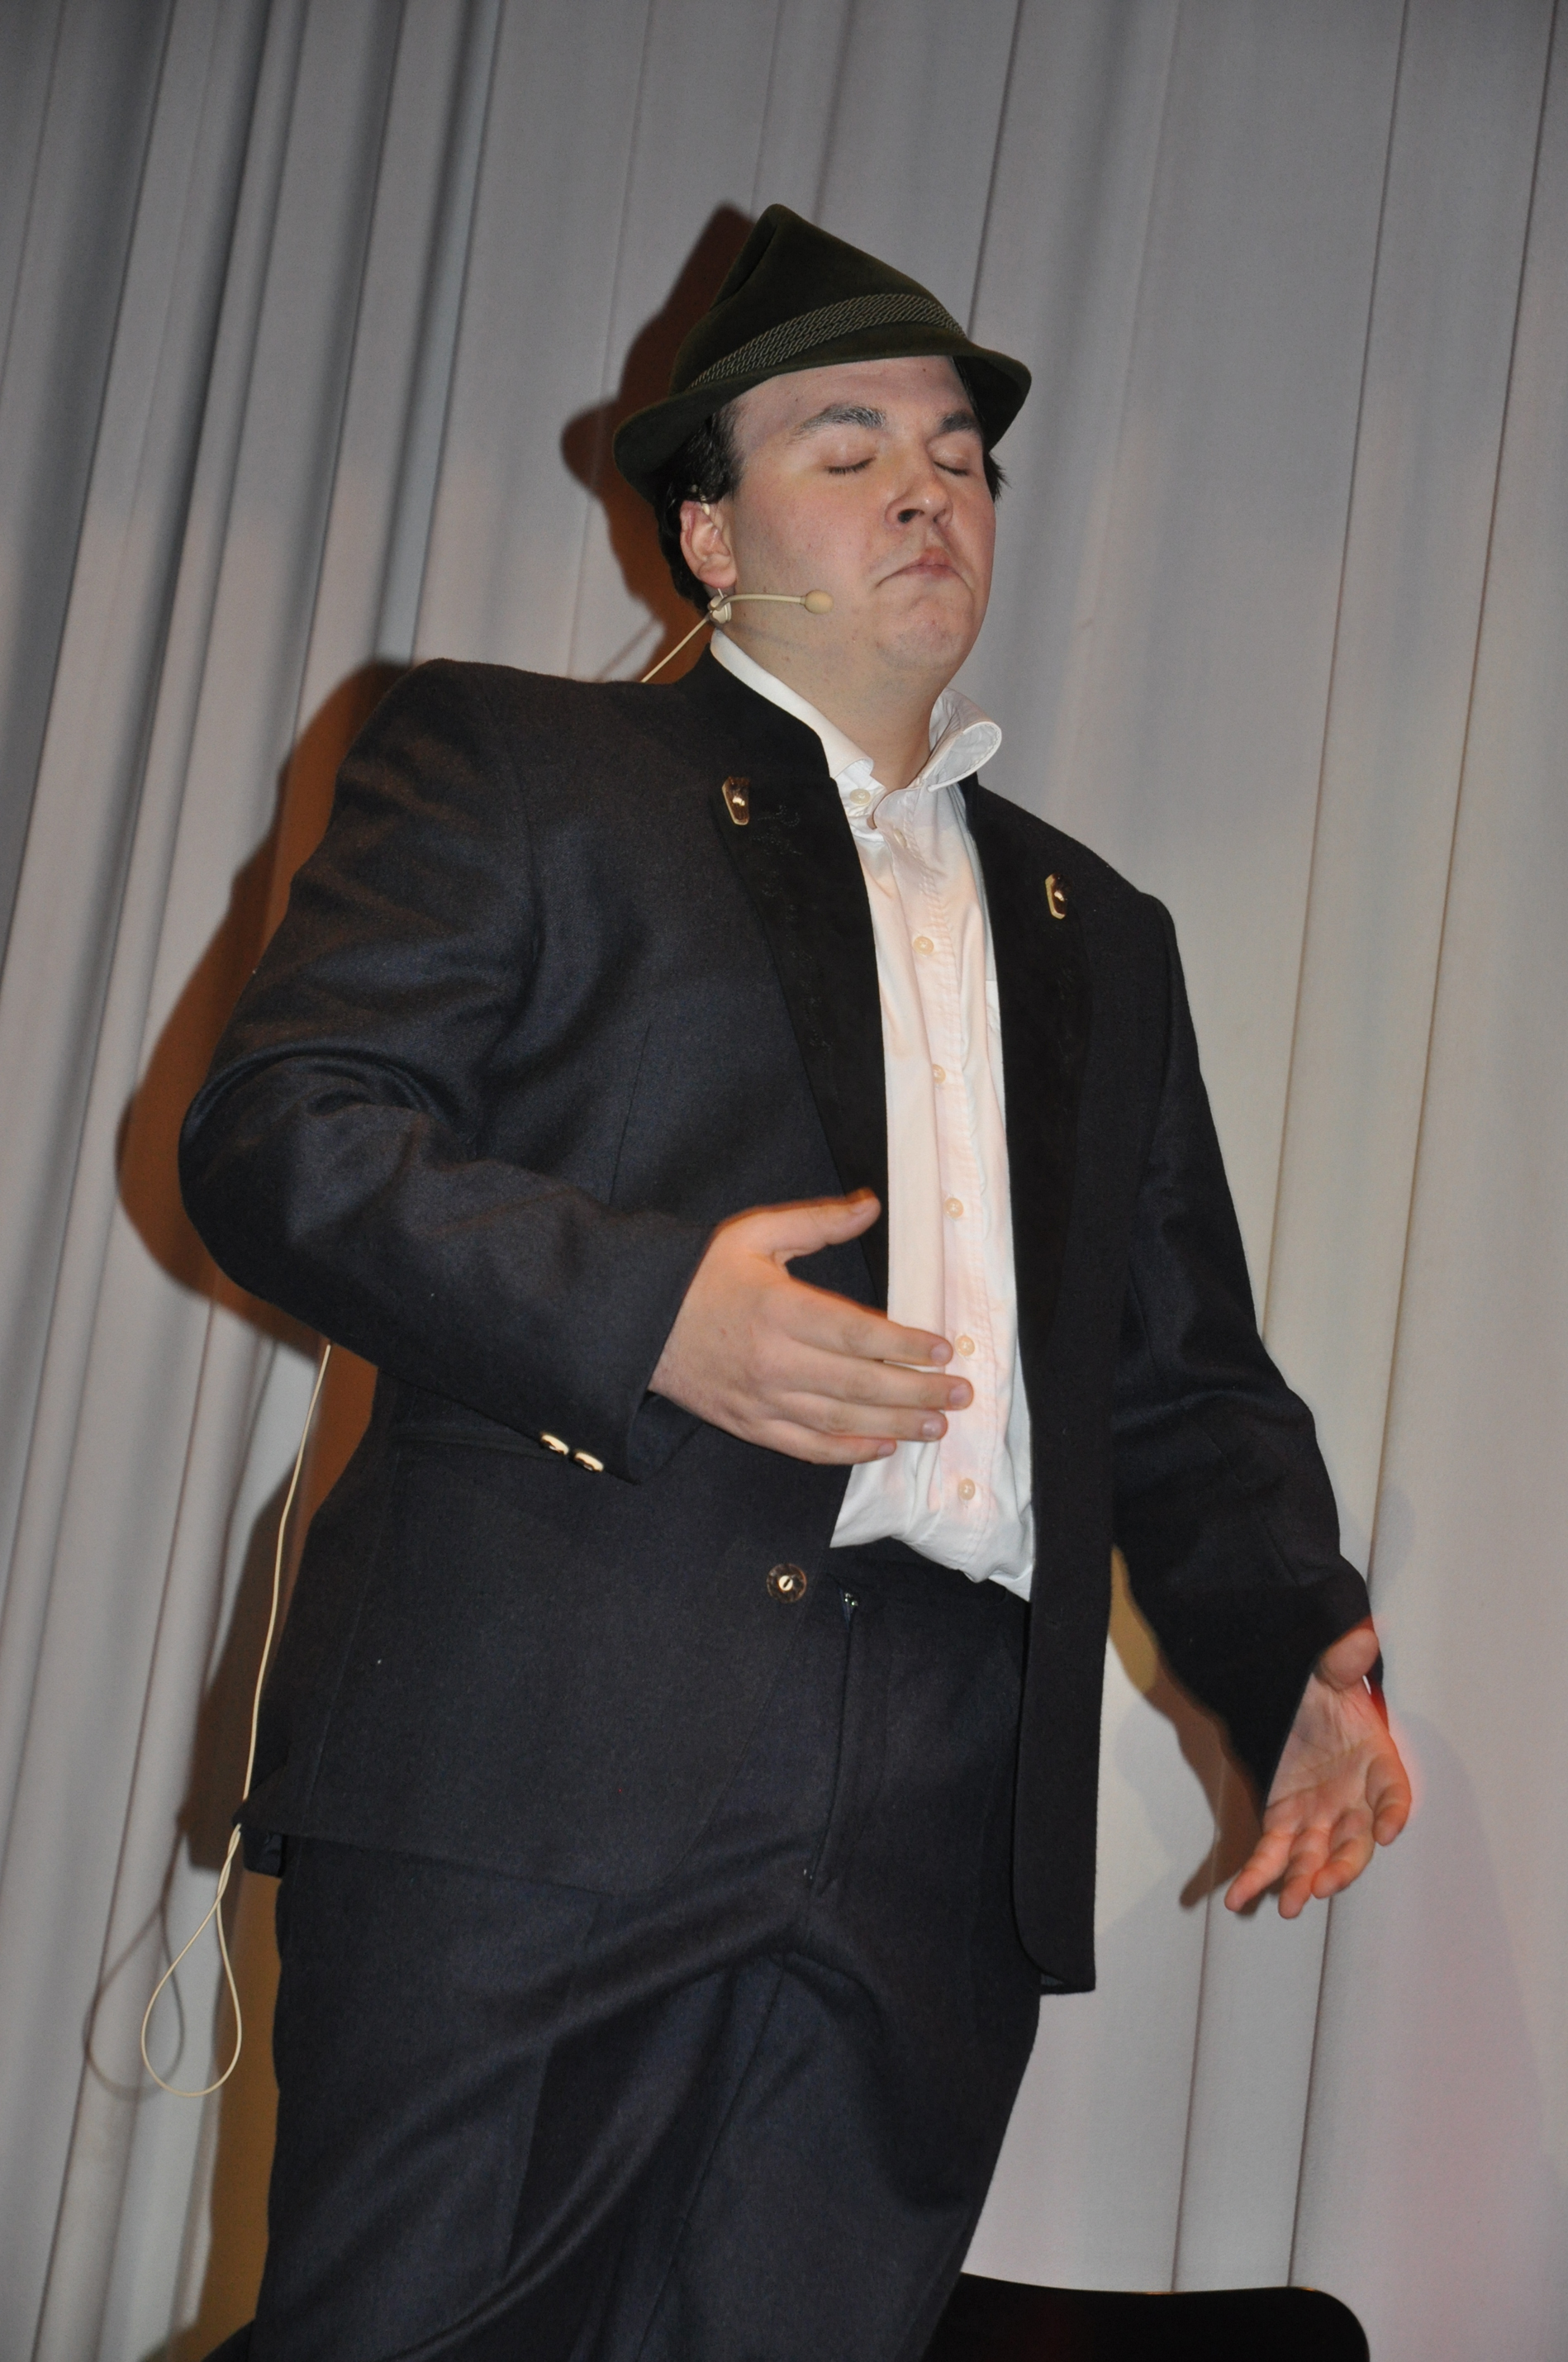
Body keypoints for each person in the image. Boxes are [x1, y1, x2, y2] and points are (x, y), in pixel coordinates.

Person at [181, 207, 1409, 2362]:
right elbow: (285, 1132)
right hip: (551, 1737)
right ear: (706, 532)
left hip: (941, 1803)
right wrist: (652, 1313)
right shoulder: (513, 764)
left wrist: (1286, 1641)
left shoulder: (1098, 931)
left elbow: (1173, 1373)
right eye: (847, 448)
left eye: (959, 455)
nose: (927, 487)